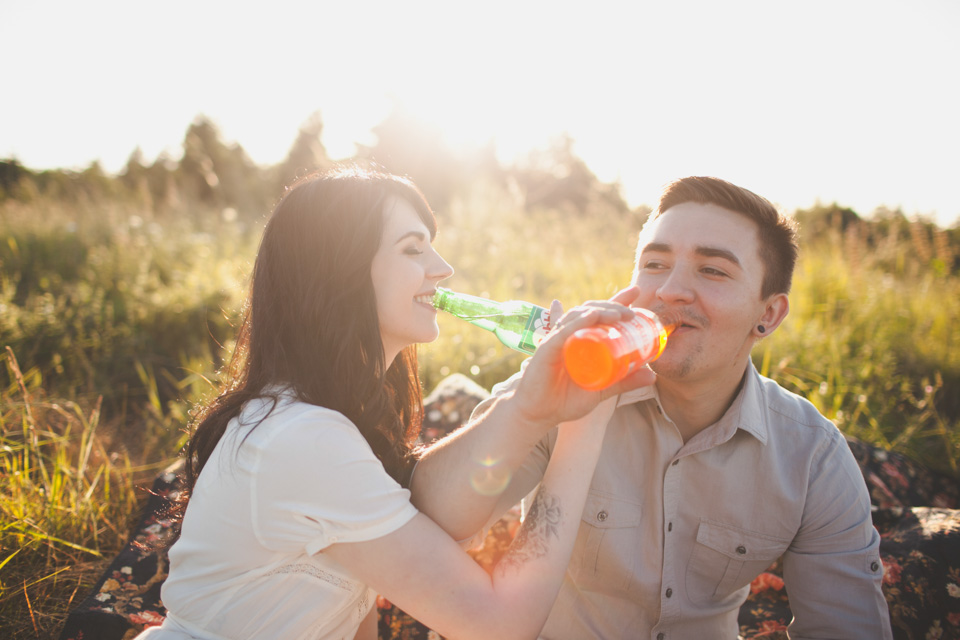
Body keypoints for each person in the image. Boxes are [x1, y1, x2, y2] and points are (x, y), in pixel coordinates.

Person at [135, 166, 656, 640]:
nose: (444, 268)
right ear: (339, 270)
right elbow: (500, 625)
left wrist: (532, 400)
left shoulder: (331, 423)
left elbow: (359, 607)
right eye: (413, 249)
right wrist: (582, 423)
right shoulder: (302, 439)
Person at [411, 176, 894, 638]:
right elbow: (433, 517)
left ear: (768, 314)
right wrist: (527, 406)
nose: (669, 291)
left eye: (712, 270)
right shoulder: (566, 383)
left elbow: (846, 626)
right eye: (655, 264)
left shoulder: (812, 455)